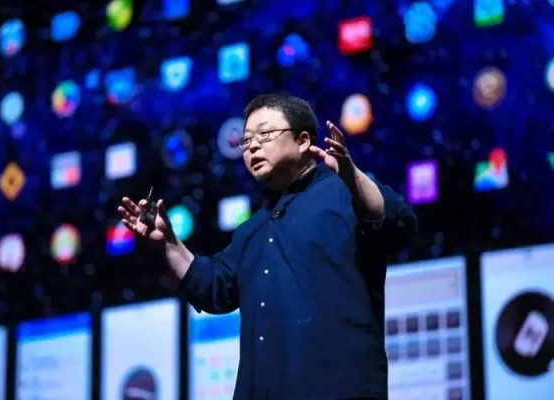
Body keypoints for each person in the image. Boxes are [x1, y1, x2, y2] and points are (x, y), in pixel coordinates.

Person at [118, 94, 417, 400]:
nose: (252, 147)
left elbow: (399, 223)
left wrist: (351, 175)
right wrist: (169, 243)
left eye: (264, 134)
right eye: (246, 140)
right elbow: (213, 289)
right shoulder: (252, 230)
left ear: (303, 141)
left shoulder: (344, 194)